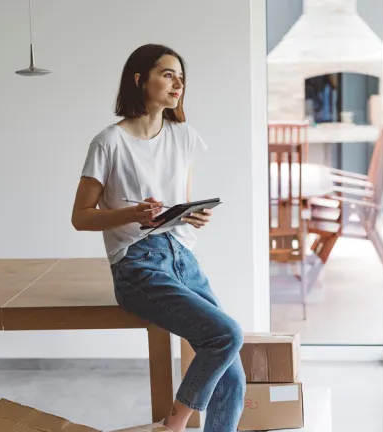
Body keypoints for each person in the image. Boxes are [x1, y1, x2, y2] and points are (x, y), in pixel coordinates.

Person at [70, 44, 246, 432]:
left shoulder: (185, 137)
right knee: (227, 335)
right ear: (139, 79)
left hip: (182, 255)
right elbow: (80, 217)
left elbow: (179, 203)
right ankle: (175, 424)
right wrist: (131, 215)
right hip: (136, 265)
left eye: (181, 77)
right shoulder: (108, 142)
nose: (178, 84)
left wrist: (192, 215)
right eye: (168, 75)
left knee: (232, 376)